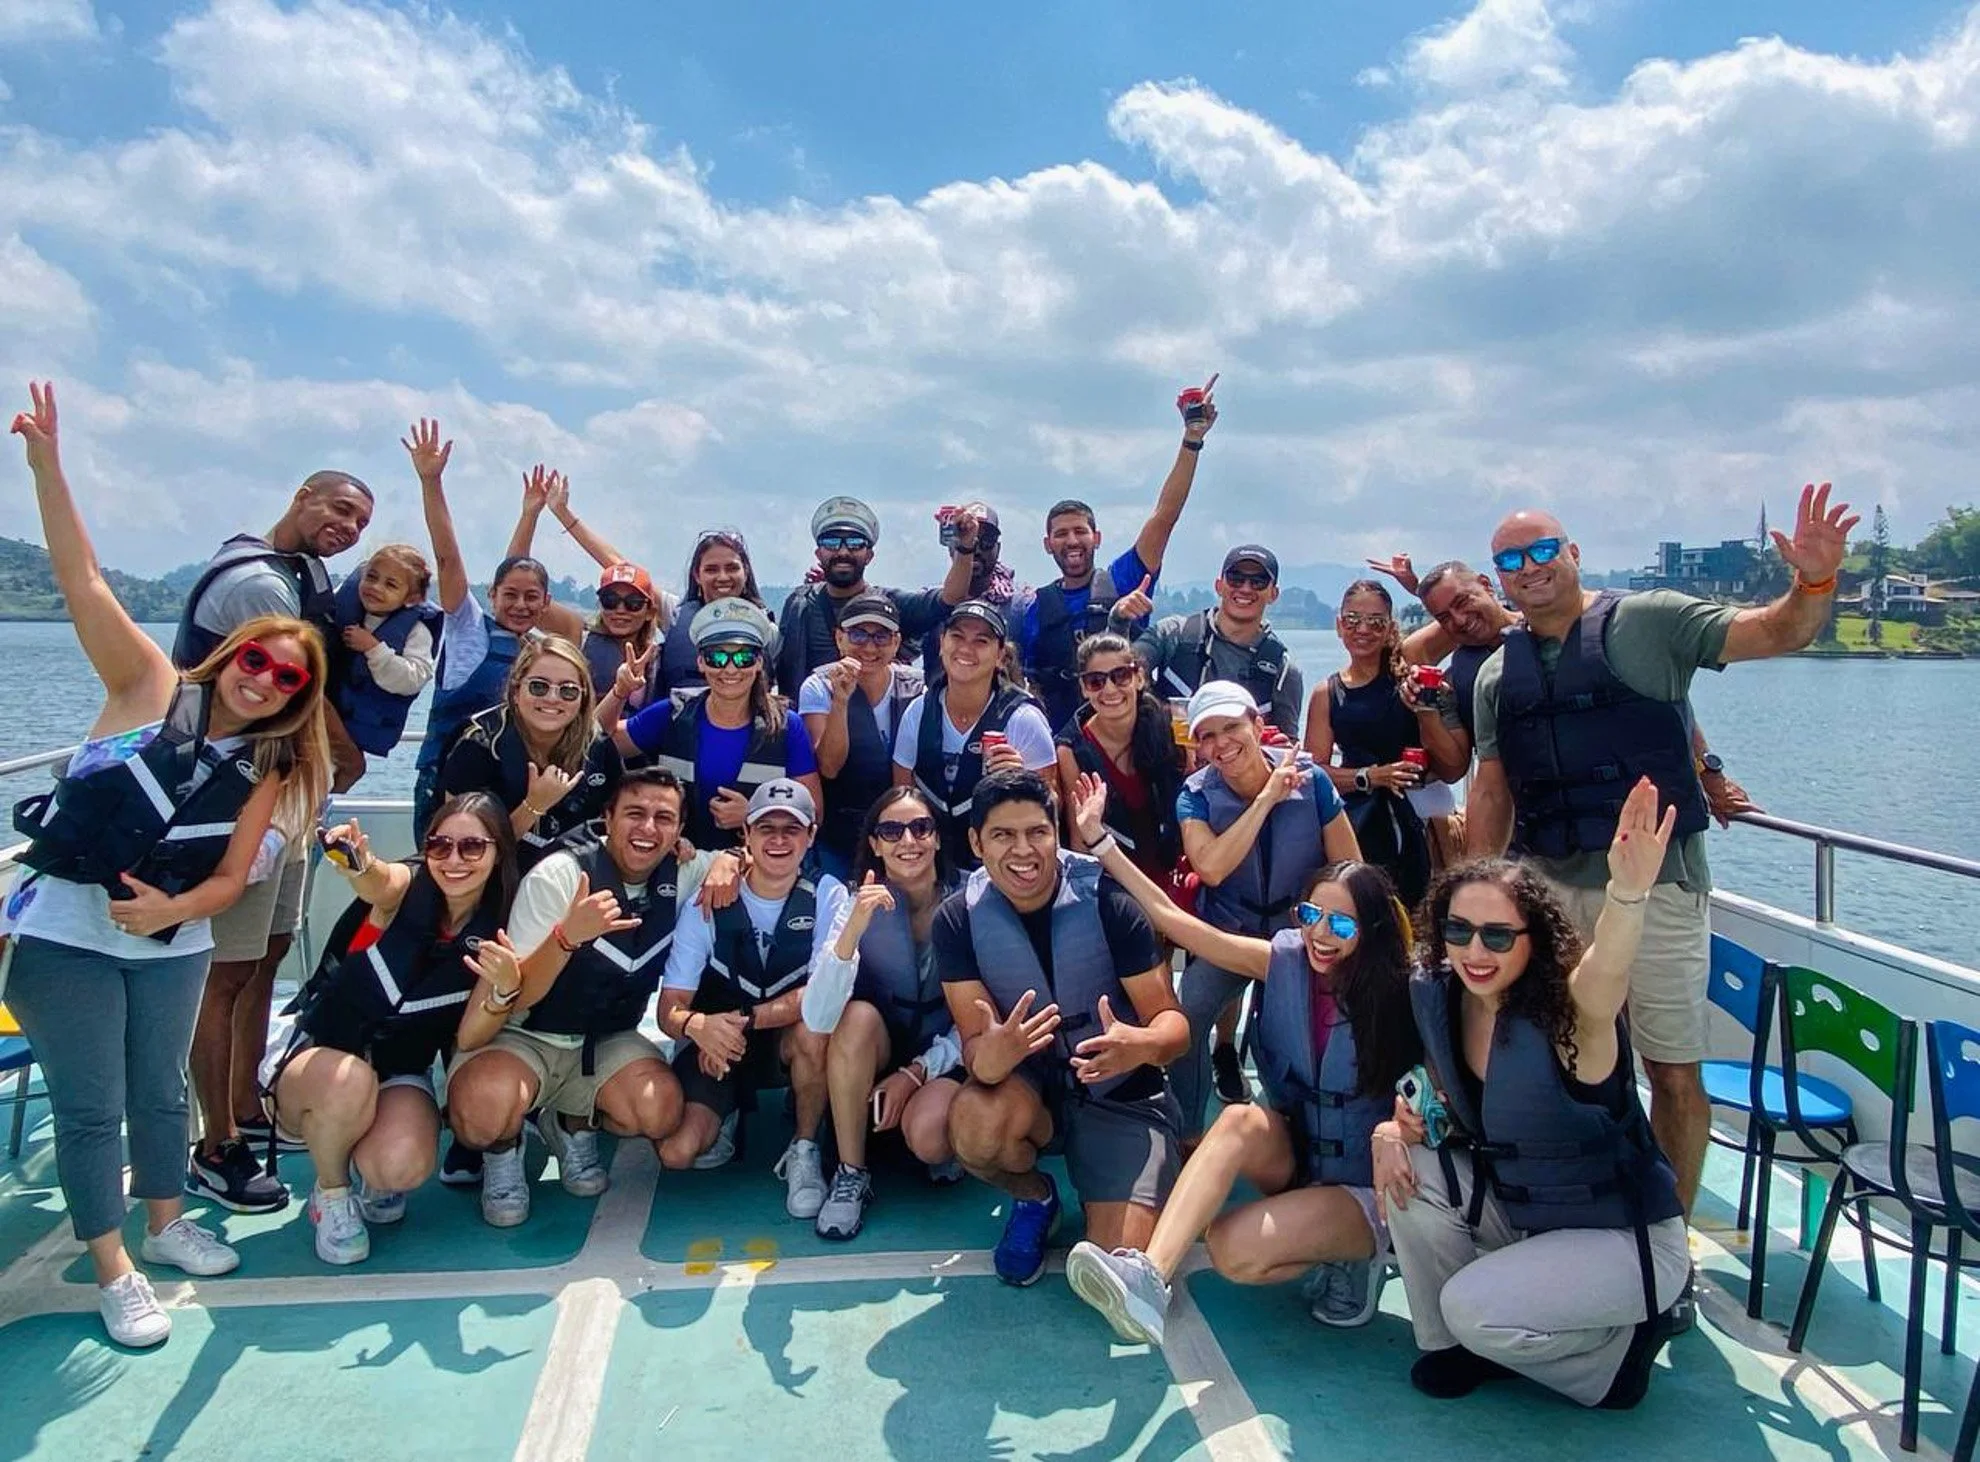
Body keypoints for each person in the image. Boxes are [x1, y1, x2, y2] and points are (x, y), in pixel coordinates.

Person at [3, 382, 332, 1345]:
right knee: (93, 1102)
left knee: (159, 1092)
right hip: (64, 932)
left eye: (289, 678)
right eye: (258, 660)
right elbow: (85, 584)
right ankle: (112, 1269)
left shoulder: (271, 760)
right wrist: (44, 467)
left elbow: (235, 876)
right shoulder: (147, 686)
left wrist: (175, 912)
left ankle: (164, 1222)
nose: (265, 681)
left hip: (174, 939)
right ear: (231, 649)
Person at [1464, 489, 1855, 1235]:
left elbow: (1775, 633)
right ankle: (1580, 1203)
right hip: (1547, 889)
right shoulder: (1494, 675)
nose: (1530, 568)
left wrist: (1813, 584)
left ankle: (1665, 1241)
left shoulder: (1649, 622)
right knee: (1561, 1062)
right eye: (1510, 560)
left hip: (1660, 891)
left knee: (1671, 1070)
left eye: (1543, 549)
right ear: (1499, 578)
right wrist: (1477, 896)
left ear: (1573, 553)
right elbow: (1490, 789)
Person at [1063, 773, 1419, 1342]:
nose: (1320, 936)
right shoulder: (1283, 961)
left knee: (1234, 1252)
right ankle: (1148, 1279)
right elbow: (1176, 921)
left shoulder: (1408, 992)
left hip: (1369, 1187)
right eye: (1309, 917)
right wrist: (1099, 840)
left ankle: (1357, 1252)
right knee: (1236, 1120)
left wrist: (1398, 1132)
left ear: (1371, 930)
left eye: (1342, 924)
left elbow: (1440, 1084)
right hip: (1301, 1159)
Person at [1376, 780, 1689, 1410]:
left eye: (1497, 936)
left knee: (1472, 1307)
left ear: (1534, 941)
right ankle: (1452, 1348)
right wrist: (1389, 1131)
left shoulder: (1575, 1018)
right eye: (1459, 931)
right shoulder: (1448, 998)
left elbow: (1607, 973)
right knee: (1409, 1173)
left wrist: (1627, 895)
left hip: (1623, 1241)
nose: (1474, 951)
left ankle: (1610, 1362)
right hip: (1527, 1219)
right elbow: (1445, 1108)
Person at [172, 438, 371, 1212]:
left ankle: (252, 1109)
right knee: (223, 971)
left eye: (359, 520)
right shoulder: (257, 581)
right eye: (338, 508)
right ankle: (215, 1141)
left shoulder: (306, 575)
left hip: (289, 793)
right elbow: (299, 685)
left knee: (267, 956)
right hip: (239, 797)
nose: (347, 527)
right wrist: (344, 763)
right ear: (300, 496)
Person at [936, 769, 1190, 1286]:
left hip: (1121, 1095)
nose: (1022, 851)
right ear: (975, 842)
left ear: (1057, 833)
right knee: (972, 1125)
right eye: (1003, 835)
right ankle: (1035, 1197)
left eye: (1037, 832)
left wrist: (1138, 1044)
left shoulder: (1109, 902)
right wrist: (999, 1052)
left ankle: (1127, 1180)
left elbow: (1174, 1027)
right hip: (1032, 1094)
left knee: (1116, 1268)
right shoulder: (957, 920)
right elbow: (977, 1055)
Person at [445, 770, 731, 1228]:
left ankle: (572, 1121)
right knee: (484, 1112)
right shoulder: (560, 877)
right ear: (606, 819)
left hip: (604, 1039)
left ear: (679, 832)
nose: (648, 829)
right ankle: (504, 1151)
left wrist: (726, 863)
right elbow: (517, 995)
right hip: (525, 1036)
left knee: (659, 1113)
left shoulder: (683, 871)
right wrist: (566, 938)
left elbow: (752, 859)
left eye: (664, 818)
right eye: (634, 814)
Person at [266, 795, 515, 1263]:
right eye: (440, 847)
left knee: (396, 1168)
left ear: (498, 851)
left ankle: (367, 1162)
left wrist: (503, 989)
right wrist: (357, 862)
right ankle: (332, 1194)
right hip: (318, 1063)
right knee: (350, 1082)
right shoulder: (405, 891)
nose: (453, 860)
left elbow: (467, 1037)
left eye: (472, 848)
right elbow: (378, 880)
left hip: (399, 1069)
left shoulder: (499, 927)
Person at [1171, 681, 1360, 1138]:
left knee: (1280, 1033)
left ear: (1258, 725)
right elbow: (1212, 868)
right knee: (1187, 1016)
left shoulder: (1312, 782)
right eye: (1208, 736)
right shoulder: (1194, 796)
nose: (1222, 745)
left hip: (1299, 935)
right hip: (1230, 932)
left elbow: (1350, 868)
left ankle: (1296, 1129)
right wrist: (1267, 798)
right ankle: (1187, 1133)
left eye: (1232, 727)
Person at [655, 781, 835, 1213]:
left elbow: (823, 992)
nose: (778, 840)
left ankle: (805, 1147)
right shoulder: (708, 899)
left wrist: (740, 1021)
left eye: (791, 829)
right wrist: (698, 1026)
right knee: (677, 1153)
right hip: (715, 1048)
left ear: (811, 836)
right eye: (765, 827)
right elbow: (668, 1008)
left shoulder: (828, 894)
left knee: (815, 1027)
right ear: (746, 836)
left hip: (776, 1040)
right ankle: (728, 1110)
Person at [800, 789, 966, 1240]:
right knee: (853, 1020)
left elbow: (985, 1016)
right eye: (891, 830)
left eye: (920, 827)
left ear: (936, 838)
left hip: (948, 1057)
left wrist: (918, 1072)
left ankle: (934, 1134)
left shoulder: (973, 901)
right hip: (881, 1048)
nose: (907, 840)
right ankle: (852, 1172)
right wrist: (854, 928)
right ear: (874, 844)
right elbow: (817, 1017)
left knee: (931, 1141)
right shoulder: (852, 904)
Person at [409, 425, 587, 835]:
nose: (520, 605)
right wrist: (431, 481)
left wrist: (531, 514)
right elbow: (448, 560)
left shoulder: (540, 652)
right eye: (510, 595)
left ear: (545, 604)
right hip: (451, 780)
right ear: (492, 595)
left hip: (514, 782)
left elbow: (518, 573)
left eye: (531, 598)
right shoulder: (468, 632)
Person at [1018, 388, 1216, 730]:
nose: (1072, 541)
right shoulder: (1032, 608)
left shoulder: (1123, 581)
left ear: (1097, 538)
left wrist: (1191, 439)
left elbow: (1165, 516)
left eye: (1080, 531)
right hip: (1064, 743)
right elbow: (1024, 681)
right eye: (1061, 534)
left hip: (1130, 737)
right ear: (1047, 544)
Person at [1304, 580, 1467, 910]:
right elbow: (1315, 770)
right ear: (1339, 625)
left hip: (1424, 817)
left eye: (1376, 621)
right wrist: (1372, 776)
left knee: (1430, 916)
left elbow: (1458, 621)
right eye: (1352, 620)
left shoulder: (1408, 669)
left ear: (1390, 627)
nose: (1363, 629)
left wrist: (1417, 586)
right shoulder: (1327, 693)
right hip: (1363, 822)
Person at [610, 598, 823, 851]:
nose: (730, 669)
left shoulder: (787, 727)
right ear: (700, 662)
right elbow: (600, 739)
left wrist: (755, 814)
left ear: (759, 663)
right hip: (678, 864)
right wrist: (619, 692)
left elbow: (814, 813)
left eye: (743, 657)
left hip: (752, 870)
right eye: (716, 657)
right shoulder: (671, 714)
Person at [892, 600, 1056, 870]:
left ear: (1001, 656)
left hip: (999, 865)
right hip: (932, 862)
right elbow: (902, 797)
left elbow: (1051, 809)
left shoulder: (1023, 720)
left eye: (981, 641)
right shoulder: (919, 711)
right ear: (941, 643)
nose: (966, 648)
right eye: (957, 636)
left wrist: (1024, 782)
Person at [440, 635, 623, 871]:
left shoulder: (597, 747)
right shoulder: (478, 744)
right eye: (539, 686)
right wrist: (534, 805)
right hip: (489, 878)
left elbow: (623, 814)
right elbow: (463, 851)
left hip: (569, 876)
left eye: (568, 691)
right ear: (516, 691)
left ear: (582, 698)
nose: (552, 698)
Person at [774, 497, 972, 695]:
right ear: (818, 553)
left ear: (869, 555)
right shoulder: (799, 605)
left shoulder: (890, 604)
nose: (843, 551)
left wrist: (964, 547)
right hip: (811, 720)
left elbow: (950, 598)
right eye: (832, 542)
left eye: (855, 543)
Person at [798, 593, 922, 881]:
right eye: (857, 635)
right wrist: (840, 701)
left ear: (896, 642)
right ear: (839, 638)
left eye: (881, 637)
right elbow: (828, 766)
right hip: (841, 833)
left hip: (899, 830)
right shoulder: (818, 687)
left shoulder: (918, 688)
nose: (868, 647)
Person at [1133, 545, 1304, 739]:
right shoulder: (1172, 633)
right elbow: (1121, 674)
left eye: (1258, 582)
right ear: (1219, 586)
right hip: (1162, 761)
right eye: (1236, 579)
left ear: (1273, 594)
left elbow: (1288, 742)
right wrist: (1120, 622)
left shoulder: (1283, 670)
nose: (1245, 588)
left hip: (1233, 765)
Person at [1053, 634, 1184, 885]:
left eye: (1121, 675)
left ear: (1139, 678)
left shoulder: (1171, 729)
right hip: (1117, 883)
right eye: (1095, 681)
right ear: (1083, 688)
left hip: (1174, 874)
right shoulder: (1072, 750)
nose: (1110, 689)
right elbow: (1081, 841)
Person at [330, 543, 442, 757]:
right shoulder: (340, 603)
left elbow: (415, 678)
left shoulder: (417, 630)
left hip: (359, 728)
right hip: (320, 714)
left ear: (412, 598)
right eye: (371, 577)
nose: (376, 587)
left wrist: (374, 649)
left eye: (390, 585)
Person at [658, 529, 773, 694]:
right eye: (711, 570)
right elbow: (625, 571)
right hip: (681, 716)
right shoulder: (673, 616)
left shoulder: (767, 629)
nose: (723, 577)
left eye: (732, 568)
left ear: (746, 572)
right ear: (697, 575)